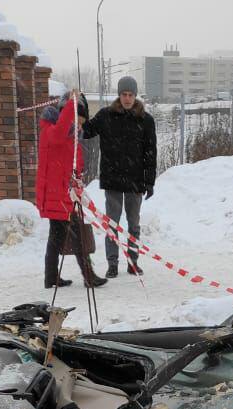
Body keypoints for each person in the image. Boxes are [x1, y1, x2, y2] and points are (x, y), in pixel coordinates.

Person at [83, 76, 157, 278]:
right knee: (112, 224)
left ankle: (133, 263)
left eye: (130, 95)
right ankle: (112, 264)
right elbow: (86, 131)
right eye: (124, 94)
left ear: (135, 95)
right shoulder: (106, 115)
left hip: (135, 181)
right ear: (119, 95)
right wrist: (81, 113)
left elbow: (151, 152)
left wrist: (149, 181)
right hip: (113, 179)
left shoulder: (146, 120)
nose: (127, 98)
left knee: (133, 224)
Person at [37, 90, 105, 289]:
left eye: (82, 121)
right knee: (76, 236)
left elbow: (74, 162)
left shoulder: (69, 136)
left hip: (63, 194)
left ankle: (52, 277)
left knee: (57, 238)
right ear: (67, 113)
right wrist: (71, 105)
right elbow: (60, 136)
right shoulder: (52, 132)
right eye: (78, 119)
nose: (80, 124)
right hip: (57, 195)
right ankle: (88, 276)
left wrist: (78, 177)